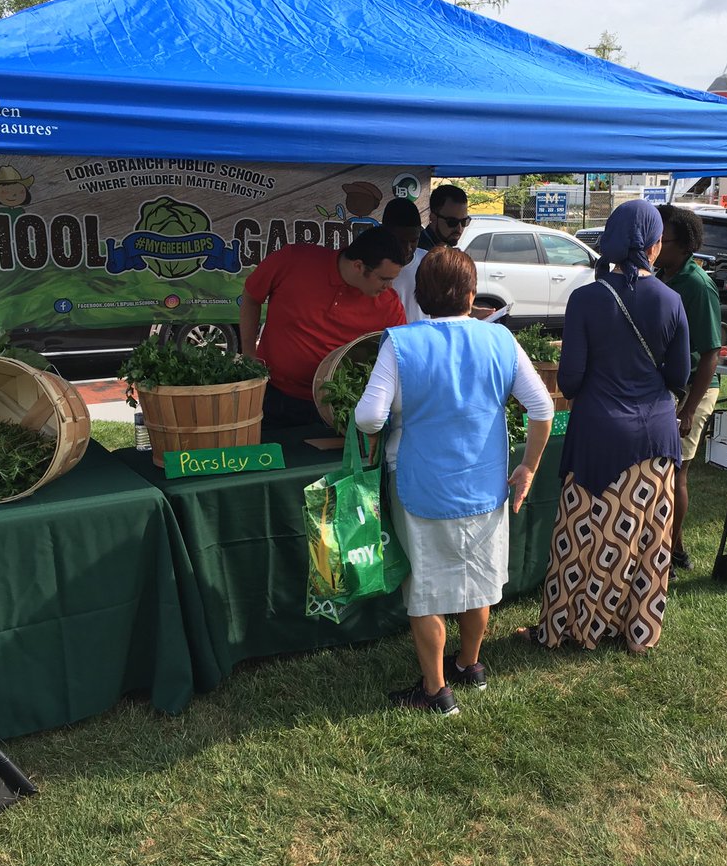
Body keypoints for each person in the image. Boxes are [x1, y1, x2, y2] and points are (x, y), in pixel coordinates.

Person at [355, 247, 554, 714]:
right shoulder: (501, 340)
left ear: (420, 297)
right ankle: (470, 664)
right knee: (477, 580)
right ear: (471, 295)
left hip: (421, 483)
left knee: (426, 593)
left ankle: (435, 690)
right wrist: (528, 467)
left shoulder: (400, 343)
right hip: (486, 484)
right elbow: (542, 408)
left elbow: (368, 417)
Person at [519, 200, 690, 654]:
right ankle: (635, 628)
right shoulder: (672, 301)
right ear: (655, 245)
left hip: (597, 436)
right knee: (644, 541)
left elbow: (570, 379)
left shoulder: (586, 298)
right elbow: (678, 377)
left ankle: (573, 626)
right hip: (655, 440)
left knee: (585, 538)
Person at [240, 225, 407, 428]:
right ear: (358, 266)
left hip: (339, 408)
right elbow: (251, 296)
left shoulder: (389, 304)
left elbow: (399, 359)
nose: (388, 286)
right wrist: (249, 354)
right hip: (274, 395)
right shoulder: (292, 260)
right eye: (384, 278)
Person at [656, 204, 722, 572]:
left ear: (683, 245)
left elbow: (712, 352)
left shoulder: (697, 285)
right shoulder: (661, 275)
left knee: (677, 471)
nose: (654, 244)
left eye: (661, 239)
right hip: (668, 387)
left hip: (694, 390)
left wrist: (688, 409)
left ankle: (674, 548)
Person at [382, 197, 429, 323]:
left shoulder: (429, 262)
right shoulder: (370, 266)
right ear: (385, 233)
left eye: (414, 241)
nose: (408, 248)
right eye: (401, 241)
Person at [418, 183, 470, 251]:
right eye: (452, 222)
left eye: (464, 221)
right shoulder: (417, 252)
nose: (459, 228)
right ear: (433, 218)